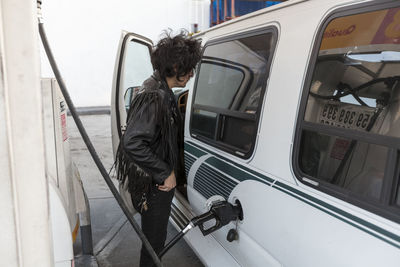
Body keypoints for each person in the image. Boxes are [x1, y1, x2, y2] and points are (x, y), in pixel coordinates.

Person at [115, 30, 201, 267]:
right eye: (189, 68)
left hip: (154, 182)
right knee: (154, 246)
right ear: (175, 66)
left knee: (155, 242)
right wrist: (165, 172)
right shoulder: (155, 96)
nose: (192, 74)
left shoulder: (159, 88)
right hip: (154, 186)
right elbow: (132, 142)